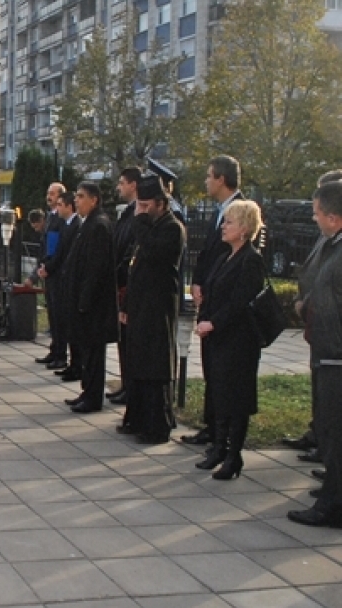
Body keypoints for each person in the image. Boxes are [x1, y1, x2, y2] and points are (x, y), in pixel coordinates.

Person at [193, 200, 265, 480]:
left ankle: (234, 455)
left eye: (229, 223)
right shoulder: (226, 256)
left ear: (245, 228)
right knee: (219, 394)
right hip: (218, 340)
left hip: (238, 342)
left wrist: (215, 322)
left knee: (236, 398)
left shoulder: (251, 260)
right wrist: (204, 317)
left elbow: (240, 302)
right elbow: (214, 291)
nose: (223, 227)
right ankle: (218, 448)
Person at [288, 180, 342, 527]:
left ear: (335, 218)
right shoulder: (333, 245)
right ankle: (333, 491)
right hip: (326, 348)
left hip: (336, 353)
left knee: (335, 430)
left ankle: (332, 506)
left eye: (317, 213)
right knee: (329, 429)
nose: (314, 219)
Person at [118, 175, 186, 444]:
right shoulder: (148, 225)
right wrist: (126, 305)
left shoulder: (171, 228)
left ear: (160, 203)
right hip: (140, 304)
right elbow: (135, 265)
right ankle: (138, 417)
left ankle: (158, 423)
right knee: (138, 362)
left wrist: (140, 222)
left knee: (155, 365)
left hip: (158, 306)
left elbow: (153, 253)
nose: (141, 211)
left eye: (145, 206)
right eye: (139, 206)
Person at [183, 155, 244, 447]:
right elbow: (206, 253)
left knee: (223, 373)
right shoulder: (218, 211)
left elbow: (237, 263)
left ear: (221, 179)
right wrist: (197, 282)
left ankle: (224, 433)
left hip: (224, 307)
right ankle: (211, 426)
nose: (206, 181)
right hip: (208, 298)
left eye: (209, 176)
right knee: (209, 367)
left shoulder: (242, 211)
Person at [64, 182, 118, 413]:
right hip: (82, 301)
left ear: (94, 200)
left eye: (81, 196)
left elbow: (95, 269)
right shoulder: (87, 224)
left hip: (94, 305)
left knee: (94, 352)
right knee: (86, 350)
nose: (76, 200)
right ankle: (87, 391)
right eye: (76, 196)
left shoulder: (99, 226)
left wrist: (85, 300)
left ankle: (93, 397)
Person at [109, 167, 143, 406]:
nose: (119, 187)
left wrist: (120, 273)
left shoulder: (138, 215)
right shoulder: (128, 213)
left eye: (122, 183)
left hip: (128, 284)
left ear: (133, 185)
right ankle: (125, 384)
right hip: (120, 282)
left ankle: (131, 387)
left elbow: (131, 250)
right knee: (124, 341)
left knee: (131, 342)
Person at [41, 191, 81, 380]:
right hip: (55, 274)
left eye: (60, 204)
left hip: (63, 277)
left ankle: (65, 357)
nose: (57, 208)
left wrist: (49, 267)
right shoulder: (63, 223)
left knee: (63, 319)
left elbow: (64, 253)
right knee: (55, 316)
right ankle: (57, 352)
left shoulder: (75, 225)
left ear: (68, 206)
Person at [35, 183, 67, 368]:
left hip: (57, 273)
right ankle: (54, 349)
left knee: (59, 315)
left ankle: (61, 354)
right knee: (52, 314)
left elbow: (59, 249)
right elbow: (44, 245)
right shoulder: (50, 217)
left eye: (52, 194)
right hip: (48, 271)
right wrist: (41, 266)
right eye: (48, 193)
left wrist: (48, 267)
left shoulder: (61, 219)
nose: (49, 197)